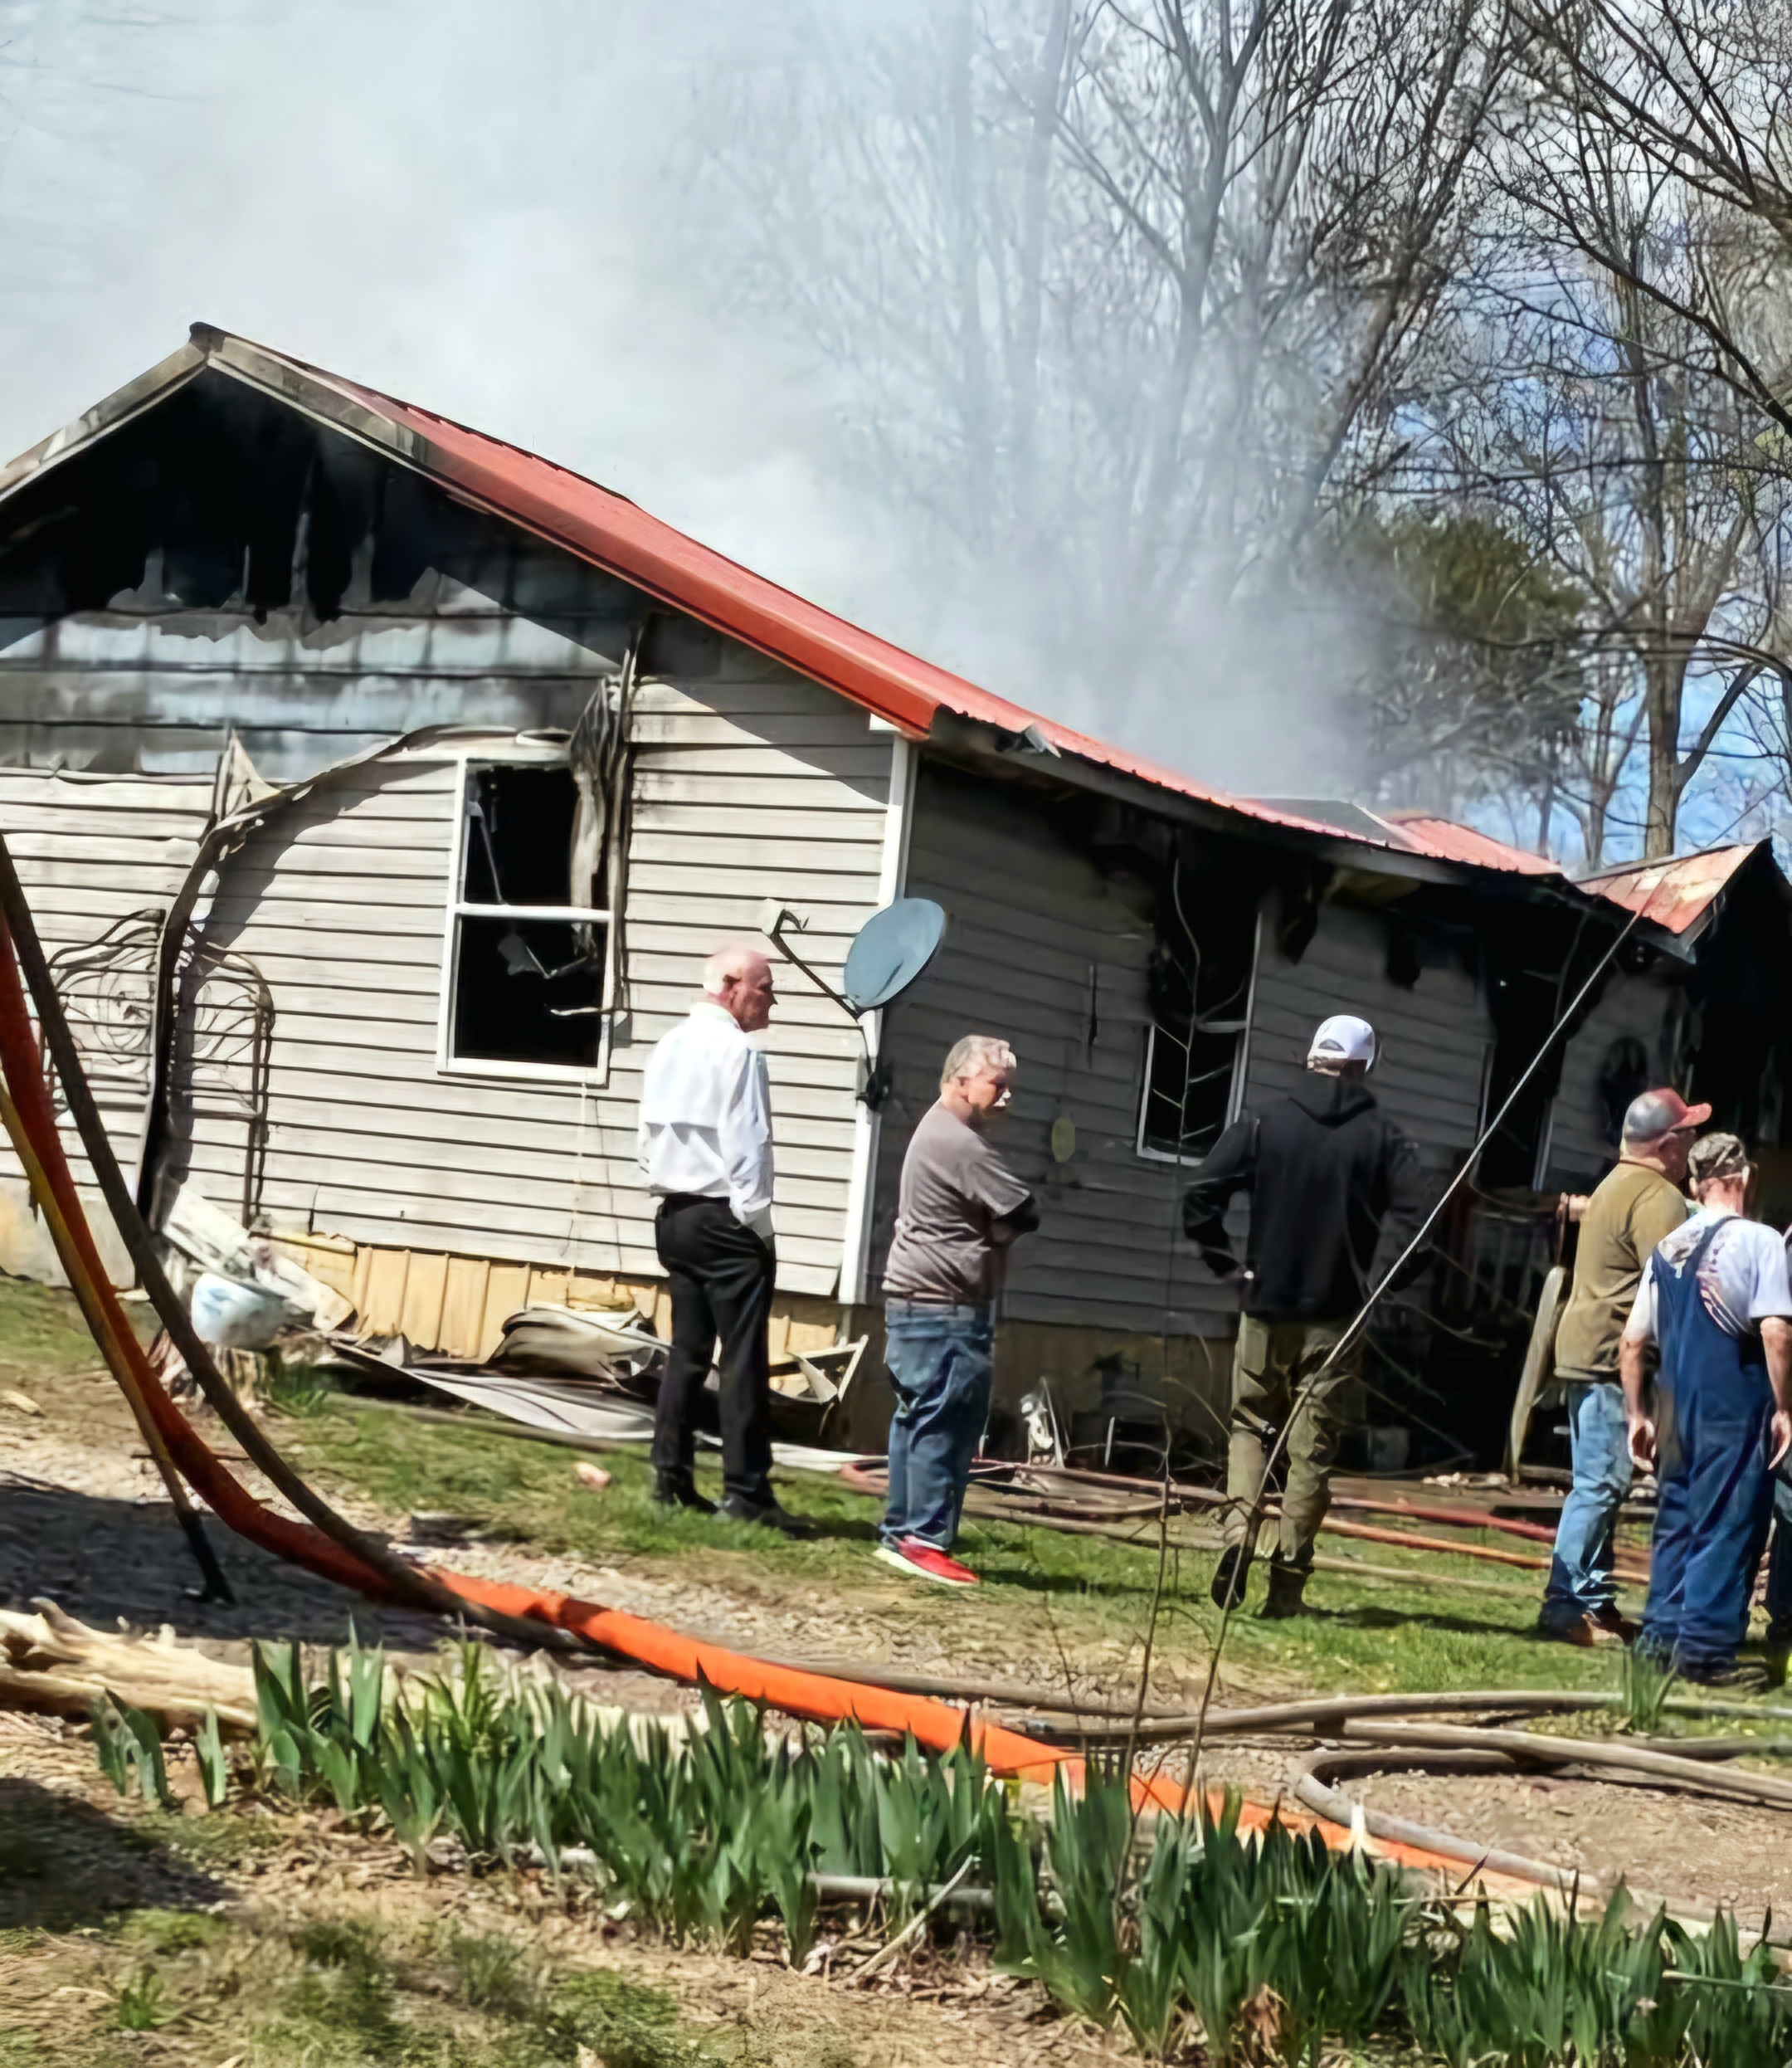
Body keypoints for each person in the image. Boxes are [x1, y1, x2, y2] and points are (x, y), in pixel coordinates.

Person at [1182, 1013, 1424, 1619]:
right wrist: (1380, 1284)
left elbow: (1200, 1195)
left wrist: (1228, 1268)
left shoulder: (1265, 1121)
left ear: (1311, 1057)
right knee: (1311, 1450)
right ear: (1364, 1067)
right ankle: (1286, 1587)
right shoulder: (1385, 1139)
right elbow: (1421, 1223)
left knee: (1250, 1424)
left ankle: (1238, 1534)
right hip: (1338, 1315)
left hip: (1265, 1306)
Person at [637, 942, 810, 1537]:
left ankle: (670, 1476)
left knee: (686, 1354)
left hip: (675, 1214)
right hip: (724, 1219)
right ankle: (746, 1491)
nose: (771, 1003)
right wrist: (758, 1226)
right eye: (766, 989)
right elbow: (749, 1145)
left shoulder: (668, 1045)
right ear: (731, 986)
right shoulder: (738, 1052)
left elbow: (645, 1137)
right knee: (741, 1359)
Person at [1537, 1087, 1706, 1646]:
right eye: (1688, 1134)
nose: (1693, 1145)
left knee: (1597, 1482)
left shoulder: (1614, 1184)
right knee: (1600, 1486)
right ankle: (1563, 1608)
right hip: (1613, 1356)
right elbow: (1674, 1289)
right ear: (1666, 1144)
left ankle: (1594, 1604)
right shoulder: (1658, 1196)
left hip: (1585, 1348)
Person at [1621, 1132, 1792, 1684]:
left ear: (1696, 1185)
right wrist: (1784, 1408)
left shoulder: (1668, 1247)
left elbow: (1632, 1342)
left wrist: (1637, 1415)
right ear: (1744, 1178)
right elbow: (1775, 1331)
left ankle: (1658, 1643)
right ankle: (1704, 1653)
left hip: (1675, 1407)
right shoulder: (1761, 1241)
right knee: (1728, 1526)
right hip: (1733, 1405)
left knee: (1677, 1523)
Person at [877, 1035, 1039, 1587]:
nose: (1007, 1097)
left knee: (917, 1419)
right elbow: (1024, 1209)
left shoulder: (935, 1130)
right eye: (998, 1085)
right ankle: (923, 1540)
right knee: (944, 1424)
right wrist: (993, 1239)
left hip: (914, 1302)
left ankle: (902, 1532)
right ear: (962, 1081)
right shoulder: (958, 1142)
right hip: (944, 1307)